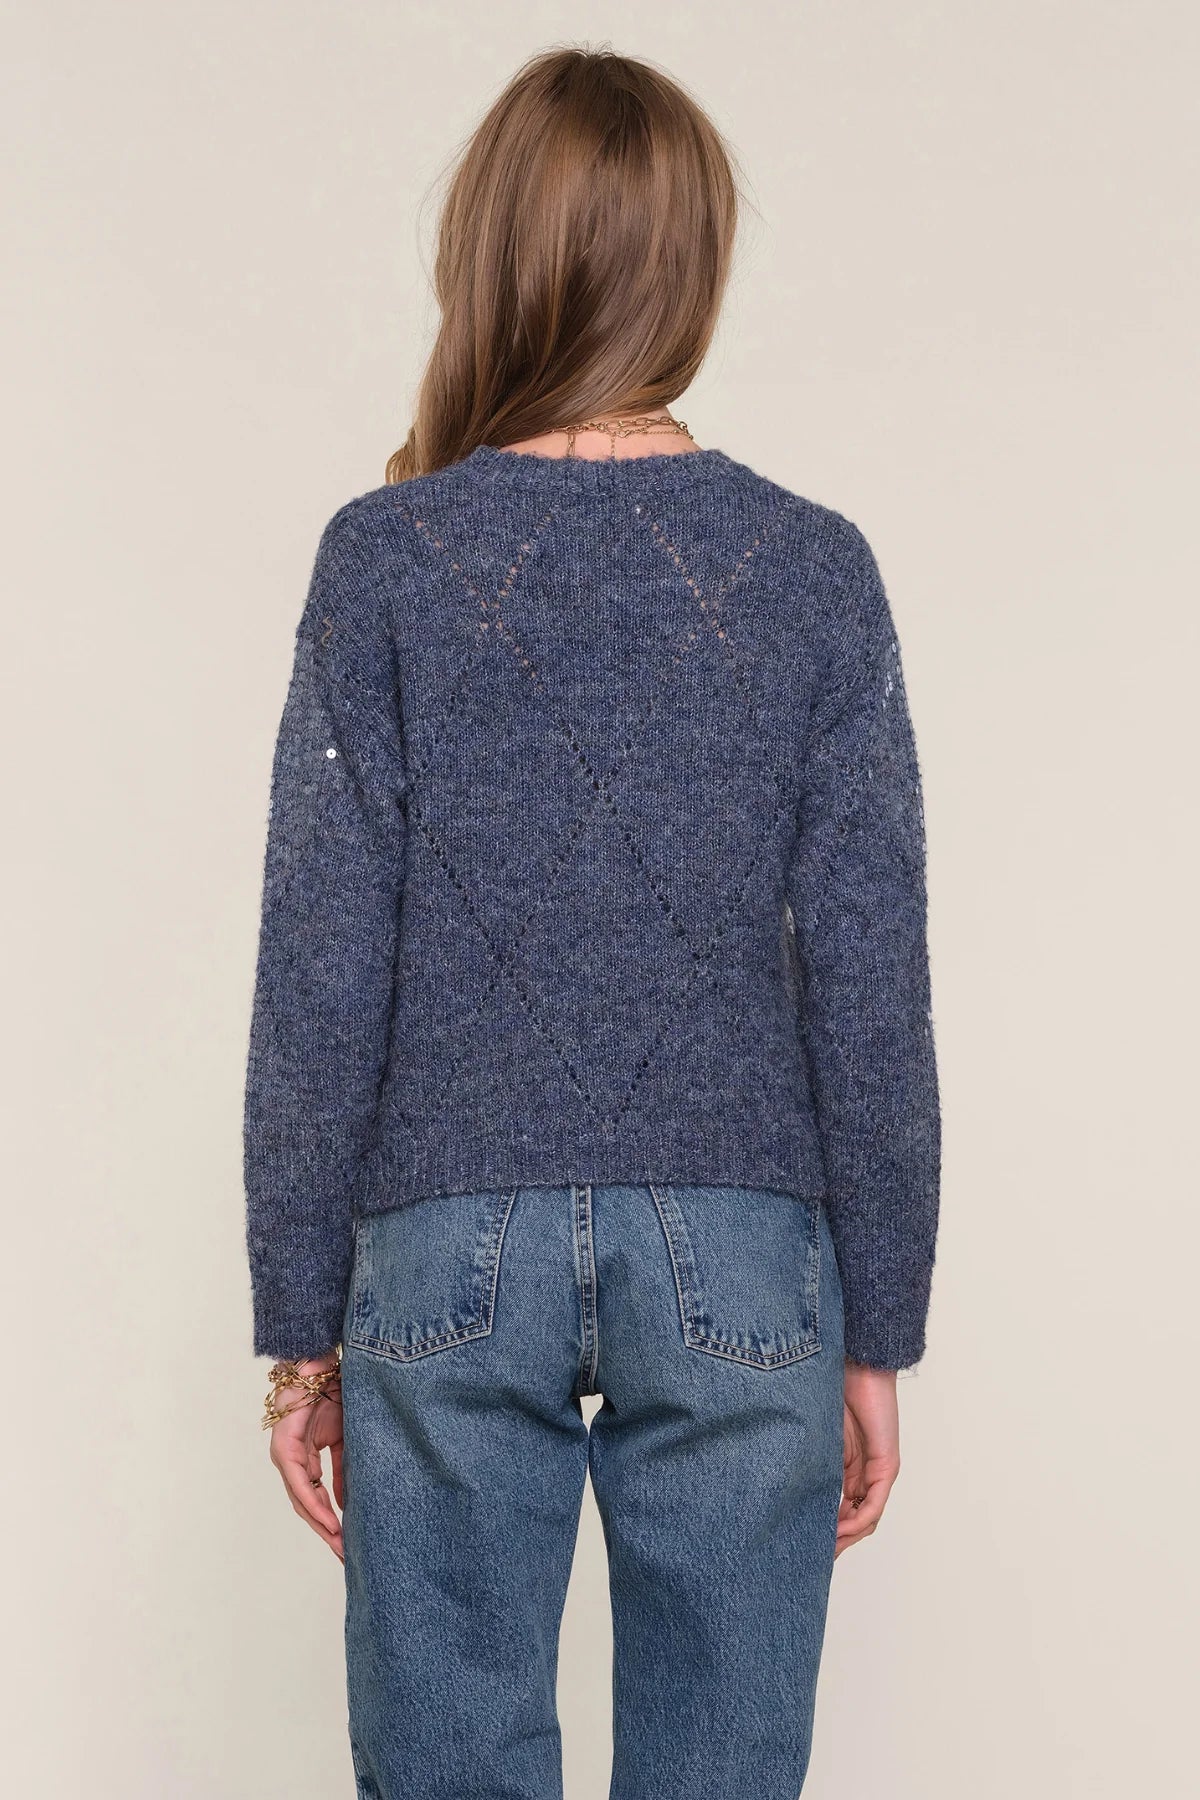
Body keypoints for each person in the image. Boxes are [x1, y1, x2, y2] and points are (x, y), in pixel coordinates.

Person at [242, 44, 941, 1800]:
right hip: (747, 1252)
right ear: (693, 270)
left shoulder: (382, 559)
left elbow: (319, 967)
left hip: (441, 1241)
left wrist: (300, 1327)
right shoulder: (815, 568)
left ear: (485, 256)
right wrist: (881, 1329)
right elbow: (874, 984)